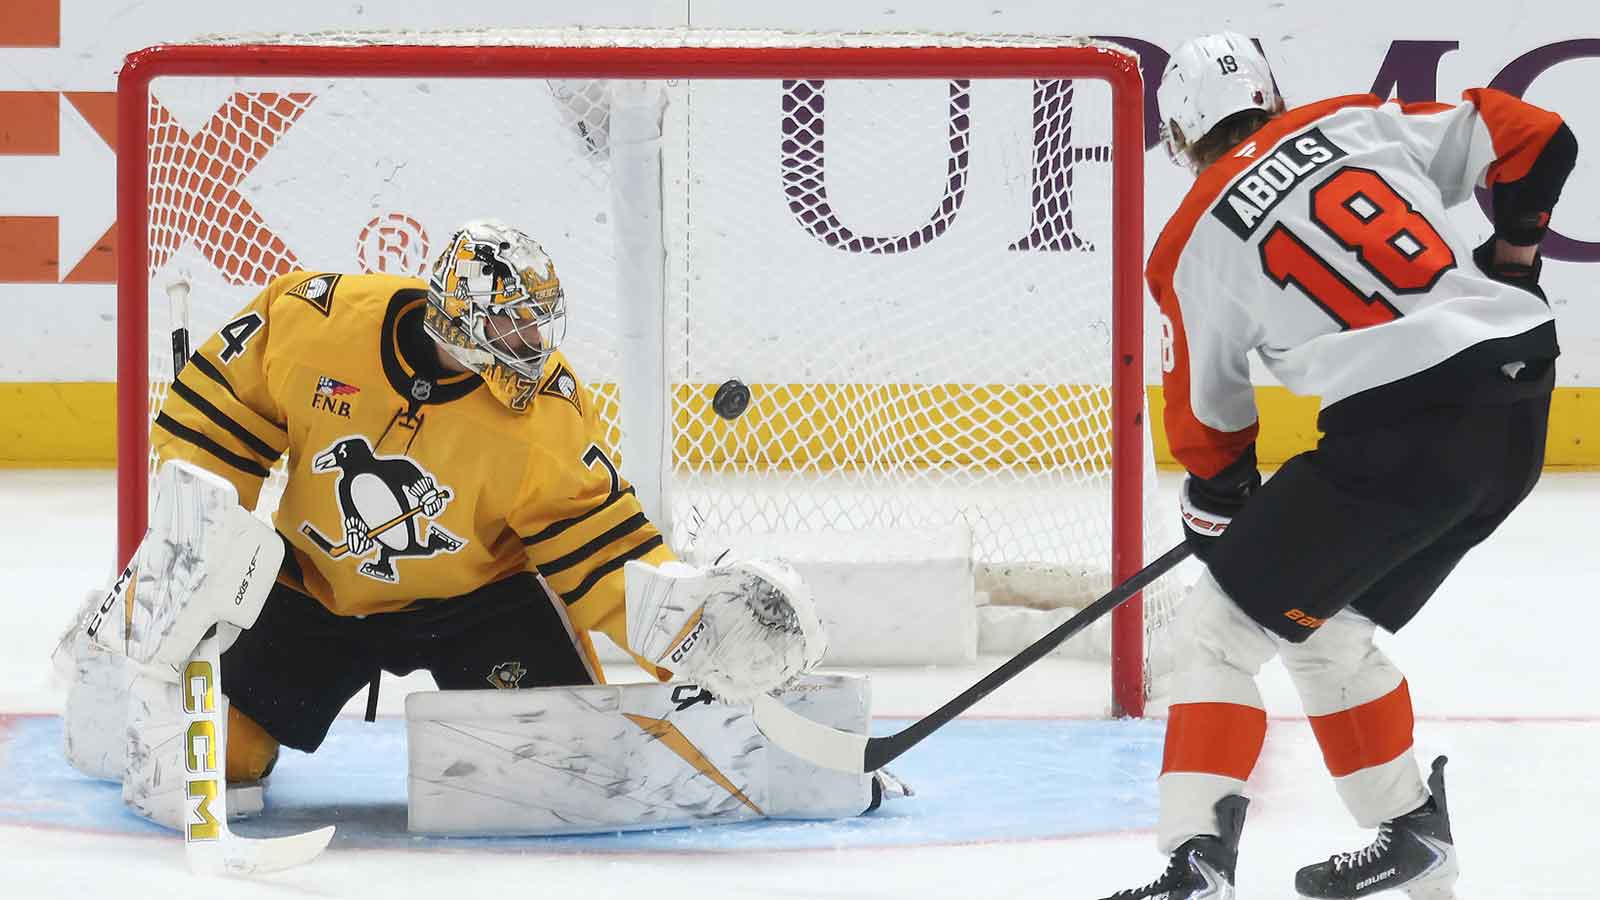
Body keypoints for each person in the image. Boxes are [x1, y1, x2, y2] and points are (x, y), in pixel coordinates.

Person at [58, 220, 849, 830]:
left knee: (570, 762)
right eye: (513, 329)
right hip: (317, 590)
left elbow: (600, 550)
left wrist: (686, 630)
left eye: (539, 325)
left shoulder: (544, 414)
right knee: (210, 755)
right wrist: (201, 536)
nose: (533, 347)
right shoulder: (316, 319)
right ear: (458, 318)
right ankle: (107, 672)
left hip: (482, 603)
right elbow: (214, 420)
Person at [1102, 32, 1577, 900]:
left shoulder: (1190, 241)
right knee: (1323, 625)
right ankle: (1414, 837)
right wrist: (1515, 255)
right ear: (1271, 93)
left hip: (1403, 441)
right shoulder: (1353, 120)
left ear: (1180, 136)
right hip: (1515, 410)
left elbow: (1211, 431)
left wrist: (1219, 509)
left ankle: (1196, 863)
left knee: (1214, 634)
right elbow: (1540, 136)